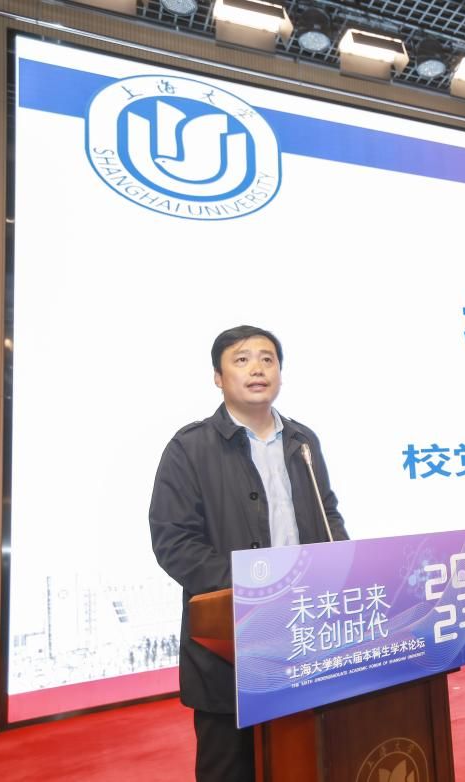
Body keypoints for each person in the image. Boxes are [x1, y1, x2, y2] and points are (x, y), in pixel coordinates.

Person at [150, 325, 348, 782]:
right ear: (218, 378)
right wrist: (255, 589)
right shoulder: (189, 448)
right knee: (230, 768)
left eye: (267, 358)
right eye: (241, 359)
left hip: (306, 627)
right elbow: (174, 542)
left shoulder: (302, 441)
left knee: (309, 759)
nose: (257, 368)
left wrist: (340, 567)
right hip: (232, 641)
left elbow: (328, 515)